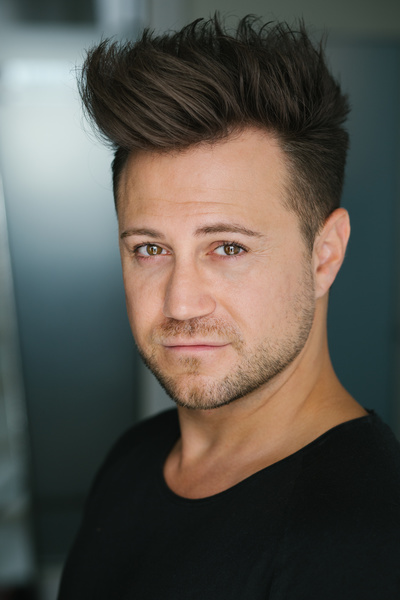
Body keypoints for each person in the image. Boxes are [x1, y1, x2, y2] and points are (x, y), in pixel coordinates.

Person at [58, 15, 400, 599]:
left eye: (228, 247)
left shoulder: (370, 540)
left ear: (324, 255)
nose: (180, 302)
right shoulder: (134, 456)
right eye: (150, 249)